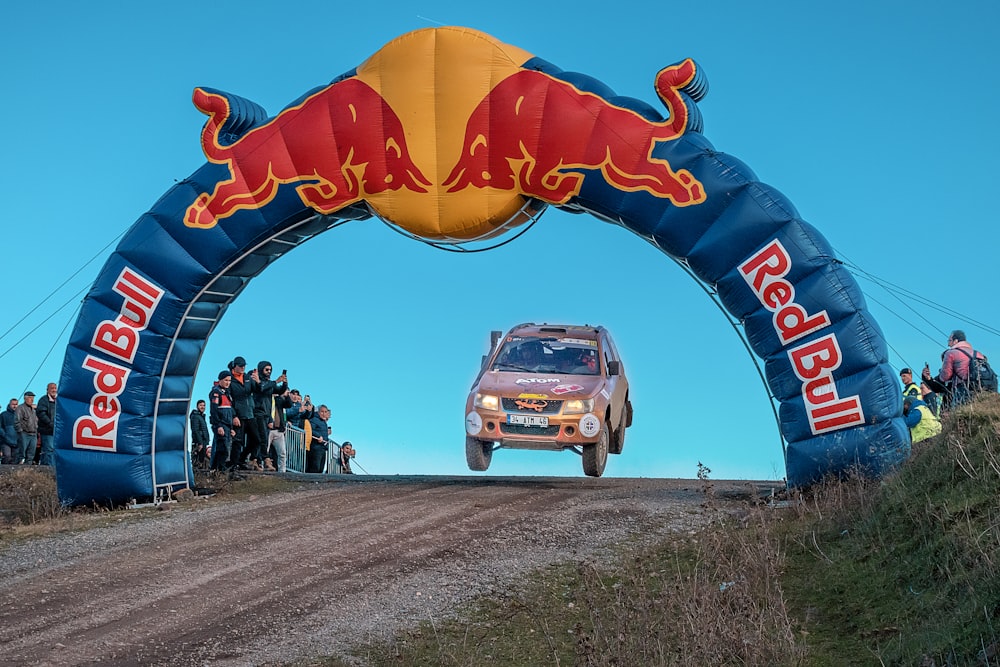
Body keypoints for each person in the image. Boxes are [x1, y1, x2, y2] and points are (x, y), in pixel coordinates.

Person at [922, 330, 983, 411]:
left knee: (959, 415)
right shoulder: (978, 354)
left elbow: (944, 378)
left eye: (949, 341)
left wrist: (931, 378)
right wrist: (928, 379)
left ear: (956, 341)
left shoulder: (951, 353)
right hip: (981, 388)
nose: (948, 344)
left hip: (962, 391)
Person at [251, 361, 288, 471]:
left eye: (270, 370)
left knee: (262, 439)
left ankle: (256, 460)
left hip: (266, 414)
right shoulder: (257, 381)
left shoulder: (269, 383)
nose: (269, 372)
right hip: (258, 413)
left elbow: (279, 390)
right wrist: (276, 381)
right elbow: (261, 388)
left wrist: (285, 383)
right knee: (261, 438)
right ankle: (264, 460)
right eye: (266, 369)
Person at [227, 356, 261, 470]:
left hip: (250, 413)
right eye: (240, 366)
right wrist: (234, 415)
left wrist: (257, 382)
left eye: (244, 366)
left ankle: (242, 459)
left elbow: (257, 390)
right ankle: (234, 464)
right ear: (235, 366)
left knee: (256, 439)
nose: (243, 368)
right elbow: (228, 399)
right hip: (238, 414)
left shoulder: (247, 377)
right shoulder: (230, 379)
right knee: (238, 441)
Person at [209, 371, 236, 472]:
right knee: (221, 448)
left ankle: (219, 469)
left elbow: (230, 412)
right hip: (221, 424)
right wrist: (218, 425)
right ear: (220, 380)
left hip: (228, 425)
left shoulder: (227, 393)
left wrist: (231, 428)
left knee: (226, 448)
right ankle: (216, 469)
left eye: (229, 381)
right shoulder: (216, 393)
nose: (228, 383)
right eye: (226, 380)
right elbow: (214, 411)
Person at [34, 382, 57, 466]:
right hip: (47, 430)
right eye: (52, 388)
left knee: (50, 450)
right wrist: (50, 423)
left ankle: (44, 467)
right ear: (47, 390)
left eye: (55, 388)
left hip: (56, 430)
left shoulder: (59, 400)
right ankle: (50, 468)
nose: (54, 390)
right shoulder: (43, 400)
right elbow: (41, 413)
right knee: (49, 449)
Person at [306, 404, 332, 473]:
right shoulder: (314, 419)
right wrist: (318, 436)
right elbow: (310, 430)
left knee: (321, 468)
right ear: (318, 412)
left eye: (325, 412)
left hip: (323, 447)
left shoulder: (324, 422)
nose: (324, 414)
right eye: (322, 412)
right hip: (316, 447)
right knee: (315, 467)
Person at [15, 391, 38, 465]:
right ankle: (17, 470)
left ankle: (28, 470)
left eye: (33, 398)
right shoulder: (20, 408)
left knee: (31, 454)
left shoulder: (33, 410)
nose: (32, 400)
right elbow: (16, 421)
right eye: (30, 398)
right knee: (21, 454)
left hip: (33, 434)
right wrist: (20, 432)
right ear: (25, 398)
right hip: (24, 433)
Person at [190, 399, 211, 469]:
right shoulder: (195, 416)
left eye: (204, 405)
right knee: (197, 460)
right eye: (201, 405)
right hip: (199, 442)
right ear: (197, 406)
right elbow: (195, 430)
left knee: (202, 460)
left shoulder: (201, 416)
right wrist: (200, 442)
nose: (203, 407)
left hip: (203, 441)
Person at [0, 398, 18, 464]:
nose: (14, 406)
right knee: (7, 457)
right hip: (5, 441)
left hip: (16, 442)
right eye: (13, 404)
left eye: (16, 404)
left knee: (15, 459)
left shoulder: (19, 415)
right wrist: (5, 436)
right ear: (9, 404)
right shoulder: (3, 414)